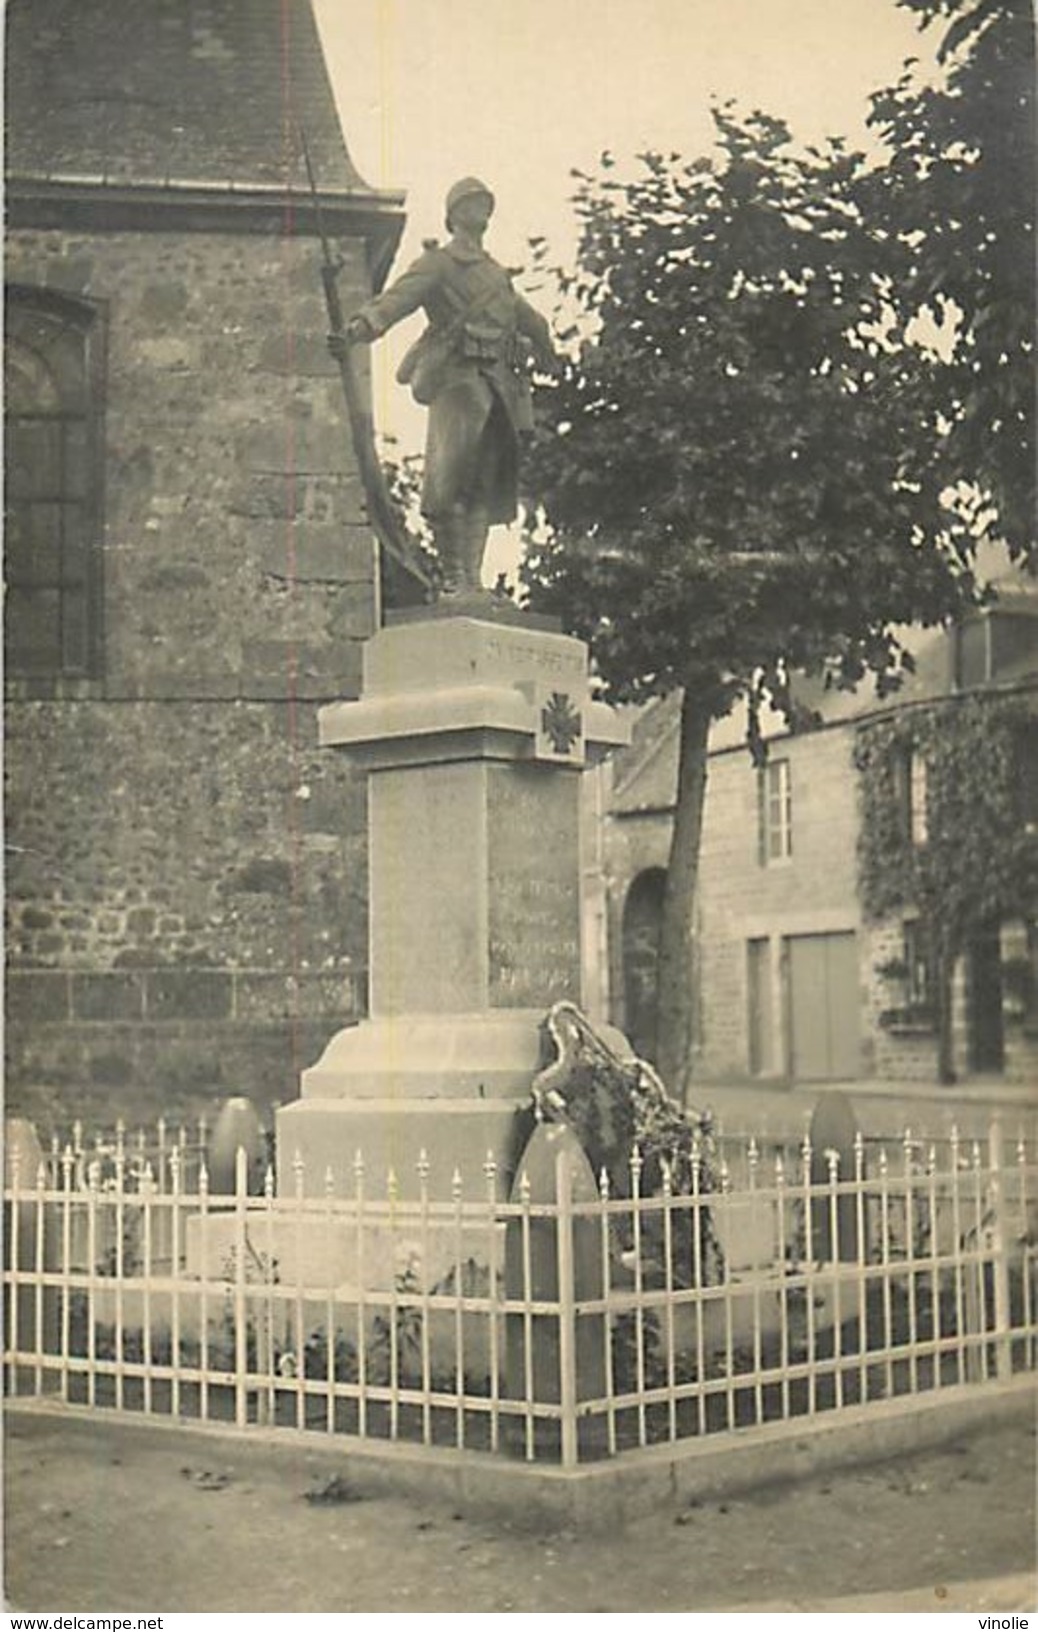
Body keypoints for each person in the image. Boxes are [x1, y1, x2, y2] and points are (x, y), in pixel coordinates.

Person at [334, 177, 555, 595]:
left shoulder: (496, 274)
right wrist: (359, 328)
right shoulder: (440, 263)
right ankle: (454, 576)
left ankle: (473, 579)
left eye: (484, 202)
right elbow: (397, 299)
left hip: (500, 390)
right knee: (451, 479)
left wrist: (548, 349)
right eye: (471, 202)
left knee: (484, 486)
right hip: (458, 384)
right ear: (453, 214)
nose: (480, 209)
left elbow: (529, 319)